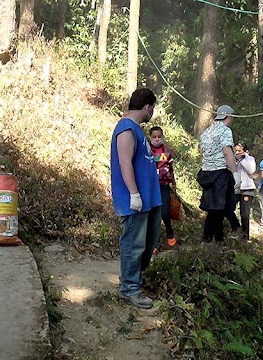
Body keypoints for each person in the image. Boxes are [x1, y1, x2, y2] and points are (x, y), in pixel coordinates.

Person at [110, 88, 162, 309]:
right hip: (136, 201)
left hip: (149, 199)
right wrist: (134, 194)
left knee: (148, 243)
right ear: (147, 107)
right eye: (153, 108)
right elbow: (124, 162)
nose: (152, 113)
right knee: (134, 244)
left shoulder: (138, 130)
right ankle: (130, 288)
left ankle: (134, 280)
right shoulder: (126, 128)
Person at [197, 105, 241, 243]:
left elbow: (202, 153)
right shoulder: (225, 131)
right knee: (218, 208)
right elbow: (227, 152)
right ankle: (208, 238)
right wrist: (235, 173)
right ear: (230, 116)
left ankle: (218, 238)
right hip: (221, 174)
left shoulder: (206, 132)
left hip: (207, 173)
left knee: (215, 207)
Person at [149, 126, 177, 251]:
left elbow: (171, 169)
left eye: (159, 136)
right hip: (150, 187)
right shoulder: (147, 151)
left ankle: (170, 233)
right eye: (154, 137)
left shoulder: (167, 151)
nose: (157, 139)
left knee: (165, 212)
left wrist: (174, 184)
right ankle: (154, 243)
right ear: (150, 137)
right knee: (153, 215)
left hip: (164, 186)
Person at [234, 141, 257, 239]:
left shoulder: (250, 159)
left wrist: (242, 160)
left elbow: (251, 170)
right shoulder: (233, 160)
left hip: (247, 189)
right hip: (235, 189)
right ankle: (236, 229)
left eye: (239, 151)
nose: (237, 153)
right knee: (228, 208)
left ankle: (245, 236)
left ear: (245, 151)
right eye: (236, 151)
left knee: (244, 214)